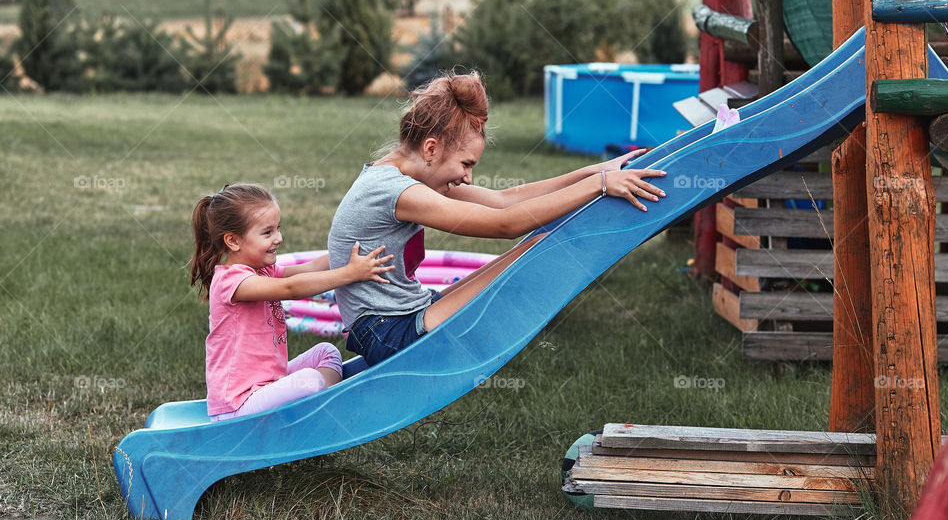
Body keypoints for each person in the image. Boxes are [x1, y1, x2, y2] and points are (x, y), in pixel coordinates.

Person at [328, 71, 666, 367]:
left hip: (400, 318)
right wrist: (600, 186)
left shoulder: (408, 178)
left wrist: (591, 172)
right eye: (466, 164)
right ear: (431, 149)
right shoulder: (397, 191)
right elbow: (506, 225)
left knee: (539, 243)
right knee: (540, 245)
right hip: (390, 335)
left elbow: (504, 200)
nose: (467, 178)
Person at [189, 183, 394, 420]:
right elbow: (292, 288)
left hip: (268, 386)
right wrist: (350, 273)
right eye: (267, 232)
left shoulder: (263, 271)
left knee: (326, 352)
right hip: (237, 406)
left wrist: (354, 250)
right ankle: (322, 419)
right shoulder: (231, 281)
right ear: (233, 241)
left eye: (278, 229)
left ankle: (320, 415)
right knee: (311, 381)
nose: (279, 238)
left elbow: (311, 268)